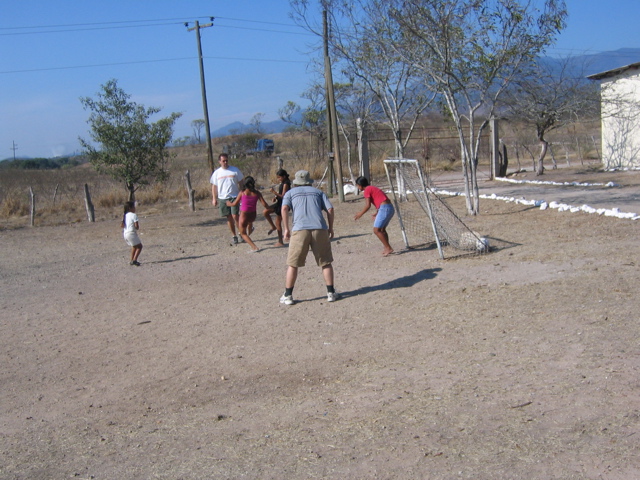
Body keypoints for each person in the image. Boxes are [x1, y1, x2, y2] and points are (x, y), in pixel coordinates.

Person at [280, 170, 338, 305]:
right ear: (309, 181)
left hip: (300, 229)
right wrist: (330, 227)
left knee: (293, 264)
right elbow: (330, 209)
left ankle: (288, 295)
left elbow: (284, 209)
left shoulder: (290, 193)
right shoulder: (318, 193)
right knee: (326, 262)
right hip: (319, 228)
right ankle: (331, 293)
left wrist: (286, 228)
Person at [354, 176, 395, 256]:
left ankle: (388, 248)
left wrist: (360, 214)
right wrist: (378, 212)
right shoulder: (372, 188)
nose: (358, 187)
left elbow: (367, 205)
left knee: (376, 230)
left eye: (357, 185)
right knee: (382, 229)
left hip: (384, 209)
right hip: (389, 208)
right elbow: (382, 200)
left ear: (360, 185)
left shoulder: (367, 190)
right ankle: (386, 247)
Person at [226, 176, 269, 252]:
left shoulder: (242, 193)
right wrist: (271, 207)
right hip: (253, 215)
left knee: (243, 233)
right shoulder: (257, 193)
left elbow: (235, 204)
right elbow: (264, 204)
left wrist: (229, 203)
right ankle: (250, 227)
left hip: (244, 214)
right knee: (249, 222)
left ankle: (254, 247)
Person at [210, 153, 244, 244]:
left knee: (235, 216)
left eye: (226, 160)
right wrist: (214, 198)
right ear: (219, 161)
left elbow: (241, 182)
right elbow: (214, 186)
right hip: (223, 198)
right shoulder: (217, 173)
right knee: (229, 218)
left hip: (234, 196)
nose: (225, 162)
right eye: (223, 161)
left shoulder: (234, 170)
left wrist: (243, 194)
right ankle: (234, 236)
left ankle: (241, 233)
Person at [263, 169, 291, 247]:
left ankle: (280, 241)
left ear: (284, 176)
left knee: (278, 222)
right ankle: (273, 227)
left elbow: (283, 196)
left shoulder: (286, 184)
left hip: (283, 205)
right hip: (279, 203)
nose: (278, 179)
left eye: (279, 177)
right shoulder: (282, 183)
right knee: (265, 211)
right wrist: (275, 197)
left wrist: (274, 192)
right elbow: (280, 194)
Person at [121, 201, 143, 266]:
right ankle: (135, 260)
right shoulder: (134, 215)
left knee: (134, 246)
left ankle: (131, 260)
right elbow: (136, 226)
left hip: (125, 234)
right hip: (131, 233)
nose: (135, 208)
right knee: (139, 246)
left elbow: (122, 225)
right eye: (134, 207)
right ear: (130, 208)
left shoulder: (125, 215)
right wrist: (136, 228)